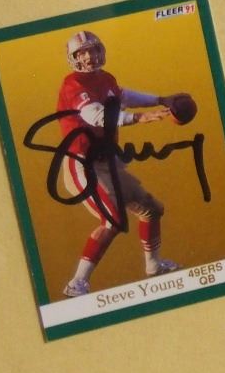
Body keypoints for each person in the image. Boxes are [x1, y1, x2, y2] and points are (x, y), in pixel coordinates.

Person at [55, 29, 188, 298]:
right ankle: (77, 283)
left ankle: (153, 265)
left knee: (151, 209)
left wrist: (160, 99)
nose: (89, 57)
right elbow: (95, 115)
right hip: (82, 163)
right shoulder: (72, 84)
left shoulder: (106, 78)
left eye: (93, 50)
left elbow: (123, 96)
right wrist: (139, 118)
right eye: (82, 53)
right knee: (113, 220)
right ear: (74, 58)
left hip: (107, 161)